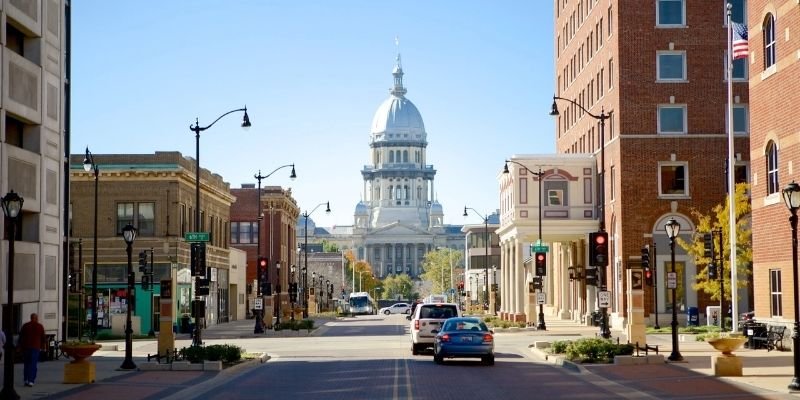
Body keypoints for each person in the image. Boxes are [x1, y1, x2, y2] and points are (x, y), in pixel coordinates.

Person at [19, 313, 45, 387]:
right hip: (35, 347)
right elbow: (43, 338)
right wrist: (43, 348)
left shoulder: (25, 326)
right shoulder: (40, 326)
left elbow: (21, 337)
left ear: (31, 318)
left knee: (26, 364)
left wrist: (20, 347)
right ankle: (31, 380)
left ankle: (26, 379)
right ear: (36, 318)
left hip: (26, 347)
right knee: (33, 365)